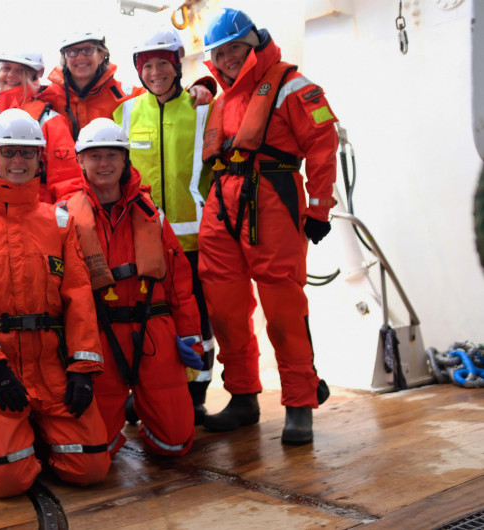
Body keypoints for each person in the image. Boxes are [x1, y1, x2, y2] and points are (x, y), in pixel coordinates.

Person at [0, 109, 110, 498]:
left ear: (39, 160)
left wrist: (82, 369)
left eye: (27, 154)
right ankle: (9, 440)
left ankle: (35, 436)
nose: (18, 162)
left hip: (53, 364)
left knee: (92, 467)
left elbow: (79, 298)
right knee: (5, 481)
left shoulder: (59, 222)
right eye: (9, 152)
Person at [197, 8, 337, 444]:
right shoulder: (220, 99)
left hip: (272, 197)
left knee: (283, 309)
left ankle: (300, 404)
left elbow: (323, 144)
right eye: (218, 54)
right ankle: (243, 397)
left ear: (254, 43)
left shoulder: (293, 85)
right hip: (223, 201)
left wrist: (319, 210)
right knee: (224, 308)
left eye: (234, 49)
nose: (226, 60)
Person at [67, 118, 203, 457]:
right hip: (97, 337)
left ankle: (144, 408)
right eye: (94, 156)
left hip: (153, 329)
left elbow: (179, 282)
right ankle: (125, 411)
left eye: (112, 155)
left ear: (125, 160)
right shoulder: (64, 217)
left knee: (175, 444)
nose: (103, 164)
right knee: (96, 452)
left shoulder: (152, 215)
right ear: (80, 160)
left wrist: (189, 334)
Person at [113, 27, 216, 425]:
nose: (155, 72)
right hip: (144, 239)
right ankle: (145, 391)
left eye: (162, 64)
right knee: (146, 317)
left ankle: (197, 392)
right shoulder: (124, 113)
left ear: (177, 66)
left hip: (194, 239)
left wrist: (206, 86)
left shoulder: (201, 107)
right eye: (147, 65)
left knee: (197, 321)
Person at [42, 29, 214, 141]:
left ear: (102, 56)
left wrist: (198, 87)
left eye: (88, 50)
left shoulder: (127, 96)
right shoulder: (47, 97)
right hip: (64, 188)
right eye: (72, 52)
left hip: (112, 189)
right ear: (65, 58)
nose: (80, 57)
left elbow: (162, 94)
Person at [0, 51, 82, 204]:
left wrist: (61, 217)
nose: (11, 75)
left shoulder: (50, 120)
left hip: (38, 214)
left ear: (34, 77)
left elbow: (68, 180)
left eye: (20, 70)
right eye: (6, 68)